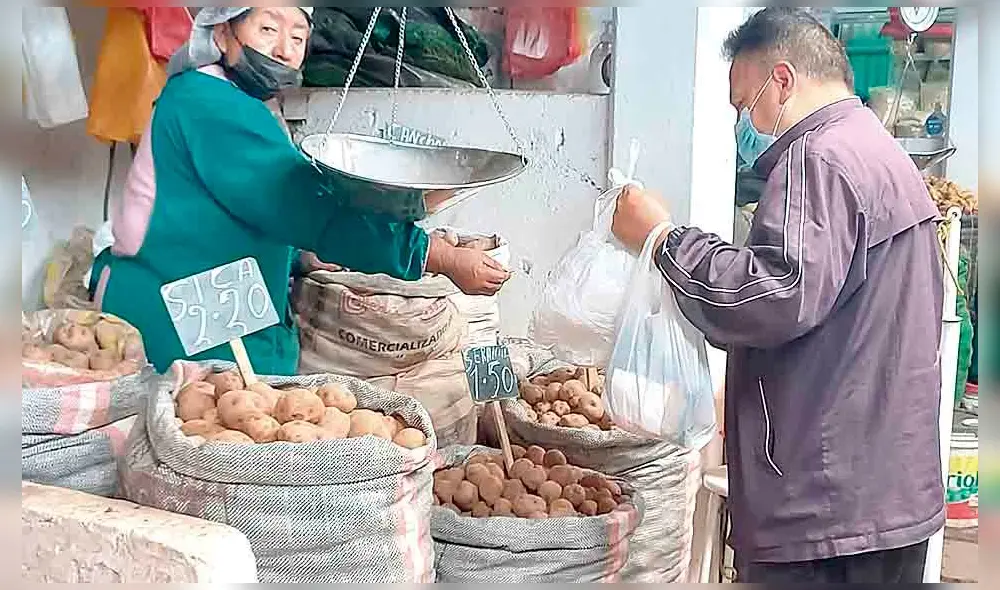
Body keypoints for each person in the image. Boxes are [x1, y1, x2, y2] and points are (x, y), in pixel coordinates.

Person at [612, 8, 944, 584]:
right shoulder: (881, 153)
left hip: (823, 513)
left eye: (746, 105)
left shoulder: (818, 158)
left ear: (784, 81)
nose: (747, 124)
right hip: (888, 501)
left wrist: (664, 240)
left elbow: (772, 295)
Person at [91, 7, 509, 375]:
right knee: (220, 442)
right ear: (221, 33)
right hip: (180, 327)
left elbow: (238, 207)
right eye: (268, 30)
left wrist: (300, 255)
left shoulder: (234, 100)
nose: (283, 50)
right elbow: (303, 206)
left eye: (298, 36)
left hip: (217, 313)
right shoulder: (209, 103)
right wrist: (435, 256)